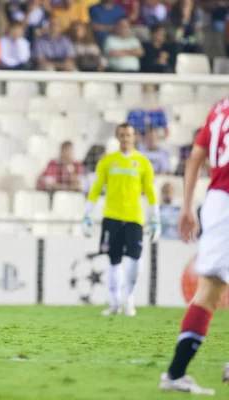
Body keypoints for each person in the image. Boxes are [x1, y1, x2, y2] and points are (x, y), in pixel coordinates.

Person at [158, 96, 229, 395]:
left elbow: (196, 156)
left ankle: (175, 375)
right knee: (209, 291)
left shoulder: (219, 108)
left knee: (208, 290)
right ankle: (175, 374)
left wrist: (187, 206)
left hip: (216, 202)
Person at [82, 123, 160, 317]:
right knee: (113, 260)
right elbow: (96, 188)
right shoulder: (108, 162)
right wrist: (87, 213)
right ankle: (114, 302)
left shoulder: (143, 163)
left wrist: (155, 219)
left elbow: (150, 192)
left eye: (129, 135)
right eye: (122, 135)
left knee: (135, 258)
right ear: (118, 137)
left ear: (134, 137)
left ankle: (128, 298)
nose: (125, 138)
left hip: (134, 218)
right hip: (112, 217)